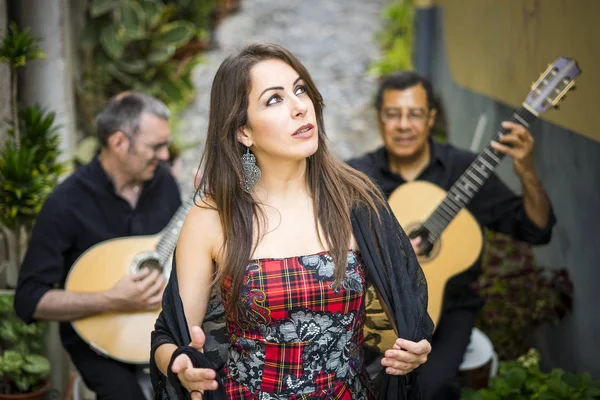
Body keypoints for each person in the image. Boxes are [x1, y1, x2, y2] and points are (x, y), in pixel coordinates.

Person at [150, 43, 434, 400]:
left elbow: (409, 315)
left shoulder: (358, 201)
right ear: (243, 131)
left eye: (300, 90)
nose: (300, 107)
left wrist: (415, 351)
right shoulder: (211, 219)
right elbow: (168, 337)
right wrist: (183, 364)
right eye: (274, 99)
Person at [347, 71, 556, 400]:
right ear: (379, 118)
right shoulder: (357, 177)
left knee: (433, 388)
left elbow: (536, 229)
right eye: (393, 114)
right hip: (374, 311)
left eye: (414, 113)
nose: (404, 125)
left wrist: (527, 172)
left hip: (449, 313)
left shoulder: (465, 169)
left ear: (431, 118)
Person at [13, 92, 182, 399]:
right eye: (156, 146)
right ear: (119, 143)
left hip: (162, 327)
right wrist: (110, 299)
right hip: (97, 340)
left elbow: (180, 255)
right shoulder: (64, 205)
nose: (165, 155)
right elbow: (28, 298)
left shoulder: (164, 184)